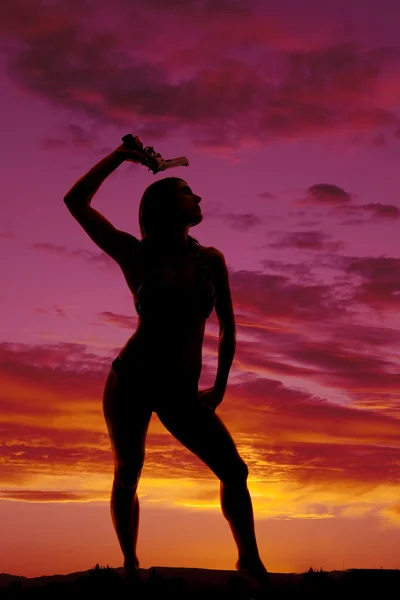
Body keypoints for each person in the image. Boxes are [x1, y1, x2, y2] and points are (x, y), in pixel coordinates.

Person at [63, 140, 269, 590]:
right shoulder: (135, 254)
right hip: (132, 379)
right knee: (128, 471)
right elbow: (74, 202)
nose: (197, 199)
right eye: (186, 191)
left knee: (234, 470)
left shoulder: (210, 258)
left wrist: (219, 386)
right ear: (162, 205)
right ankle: (131, 565)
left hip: (181, 391)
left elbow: (227, 327)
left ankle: (249, 562)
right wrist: (120, 156)